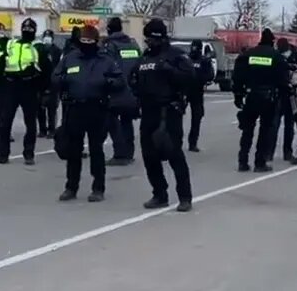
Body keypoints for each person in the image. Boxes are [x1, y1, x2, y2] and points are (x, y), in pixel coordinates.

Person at [52, 25, 122, 203]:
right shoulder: (70, 58)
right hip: (74, 108)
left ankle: (98, 188)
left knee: (96, 149)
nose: (86, 44)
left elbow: (119, 80)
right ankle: (71, 187)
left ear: (96, 42)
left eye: (89, 41)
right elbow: (55, 77)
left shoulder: (105, 60)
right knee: (73, 150)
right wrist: (65, 80)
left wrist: (108, 82)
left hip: (97, 109)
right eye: (83, 41)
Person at [130, 18, 194, 211]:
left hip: (169, 111)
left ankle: (185, 197)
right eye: (148, 38)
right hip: (148, 111)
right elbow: (132, 78)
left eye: (153, 38)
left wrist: (170, 71)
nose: (150, 42)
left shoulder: (175, 56)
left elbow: (190, 78)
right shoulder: (145, 58)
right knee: (150, 156)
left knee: (174, 154)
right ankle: (159, 194)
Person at [0, 17, 51, 165]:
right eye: (25, 28)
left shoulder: (39, 47)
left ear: (35, 31)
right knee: (5, 123)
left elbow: (47, 71)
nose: (27, 31)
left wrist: (45, 91)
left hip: (29, 87)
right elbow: (1, 64)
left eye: (30, 29)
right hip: (10, 86)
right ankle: (3, 154)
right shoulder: (11, 44)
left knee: (30, 123)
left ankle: (29, 154)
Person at [233, 29, 291, 172]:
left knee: (247, 130)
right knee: (265, 131)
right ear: (272, 41)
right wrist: (283, 98)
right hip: (269, 98)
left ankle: (243, 161)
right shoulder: (277, 57)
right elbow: (283, 80)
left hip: (251, 96)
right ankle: (260, 162)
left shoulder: (248, 55)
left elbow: (237, 76)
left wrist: (238, 95)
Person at [103, 17, 142, 166]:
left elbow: (105, 67)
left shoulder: (110, 45)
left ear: (109, 29)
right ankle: (129, 153)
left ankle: (120, 154)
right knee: (127, 121)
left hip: (116, 89)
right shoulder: (132, 44)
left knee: (112, 121)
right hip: (132, 89)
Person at [185, 39, 215, 152]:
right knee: (195, 118)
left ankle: (191, 143)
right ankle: (191, 143)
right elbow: (210, 76)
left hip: (188, 91)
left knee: (195, 117)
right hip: (193, 91)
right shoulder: (202, 60)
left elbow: (210, 76)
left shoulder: (187, 59)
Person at [275, 38, 297, 162]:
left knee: (288, 125)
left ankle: (287, 152)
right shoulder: (276, 56)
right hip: (280, 94)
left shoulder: (295, 56)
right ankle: (271, 152)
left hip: (289, 94)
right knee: (276, 124)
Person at [38, 28, 60, 138]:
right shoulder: (39, 49)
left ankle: (52, 129)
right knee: (40, 108)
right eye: (45, 36)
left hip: (53, 83)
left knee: (51, 109)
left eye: (49, 37)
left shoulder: (56, 50)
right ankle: (42, 130)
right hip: (40, 83)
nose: (47, 39)